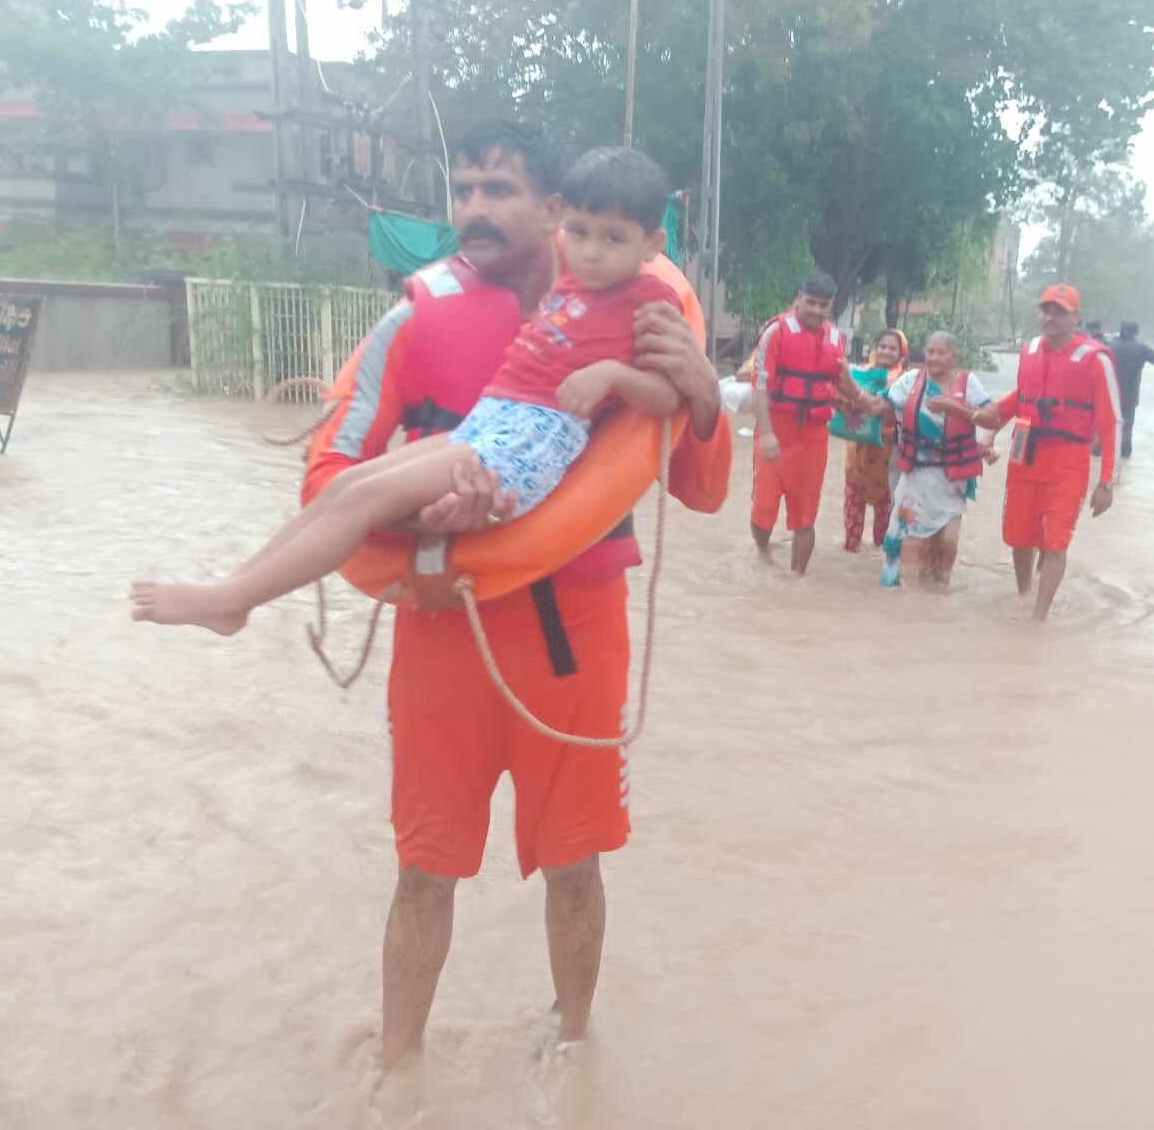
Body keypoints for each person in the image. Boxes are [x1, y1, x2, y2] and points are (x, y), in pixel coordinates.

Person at [280, 122, 731, 1066]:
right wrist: (432, 521)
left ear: (554, 209)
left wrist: (699, 396)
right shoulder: (416, 317)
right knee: (423, 867)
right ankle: (395, 1070)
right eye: (466, 188)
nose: (476, 210)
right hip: (444, 624)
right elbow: (330, 480)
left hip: (574, 631)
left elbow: (702, 491)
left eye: (500, 191)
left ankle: (573, 1052)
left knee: (575, 862)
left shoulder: (646, 317)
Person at [130, 148, 687, 635]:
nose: (591, 252)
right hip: (494, 418)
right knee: (346, 485)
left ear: (651, 243)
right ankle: (235, 591)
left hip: (534, 437)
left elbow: (666, 397)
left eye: (613, 239)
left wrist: (612, 378)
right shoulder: (577, 280)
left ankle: (232, 602)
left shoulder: (648, 298)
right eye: (581, 233)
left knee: (367, 499)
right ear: (562, 222)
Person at [983, 284, 1121, 621]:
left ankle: (1038, 618)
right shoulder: (1028, 350)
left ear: (1076, 317)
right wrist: (988, 431)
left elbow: (1112, 421)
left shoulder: (1095, 359)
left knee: (1056, 539)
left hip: (1068, 458)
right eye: (1046, 309)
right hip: (1023, 451)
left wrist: (1107, 483)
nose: (1051, 317)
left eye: (1060, 311)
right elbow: (1021, 398)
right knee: (1019, 535)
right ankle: (1023, 593)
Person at [860, 330, 997, 588]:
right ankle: (911, 601)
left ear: (954, 357)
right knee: (911, 538)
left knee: (947, 543)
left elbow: (992, 417)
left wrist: (953, 407)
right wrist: (853, 396)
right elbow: (880, 405)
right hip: (915, 474)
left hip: (952, 478)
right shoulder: (911, 380)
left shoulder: (968, 383)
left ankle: (941, 589)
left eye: (941, 352)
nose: (933, 357)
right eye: (930, 352)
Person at [749, 270, 860, 574]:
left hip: (814, 436)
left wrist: (852, 404)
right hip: (777, 429)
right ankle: (763, 554)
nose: (816, 310)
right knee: (763, 510)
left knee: (806, 512)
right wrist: (768, 434)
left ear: (831, 306)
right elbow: (760, 385)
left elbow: (835, 384)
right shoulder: (776, 332)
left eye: (823, 305)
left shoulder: (837, 337)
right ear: (798, 299)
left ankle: (798, 578)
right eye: (810, 302)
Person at [840, 328, 909, 552]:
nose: (886, 352)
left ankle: (881, 554)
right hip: (858, 451)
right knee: (853, 505)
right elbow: (844, 397)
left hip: (889, 454)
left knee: (886, 511)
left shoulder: (906, 380)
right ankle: (851, 552)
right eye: (882, 346)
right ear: (874, 349)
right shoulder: (860, 373)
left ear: (901, 352)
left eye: (892, 348)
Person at [1108, 320, 1154, 460]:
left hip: (1108, 393)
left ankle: (1100, 451)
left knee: (1105, 424)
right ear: (1136, 332)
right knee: (1126, 426)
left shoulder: (1109, 346)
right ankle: (1124, 454)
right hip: (1129, 395)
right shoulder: (1140, 349)